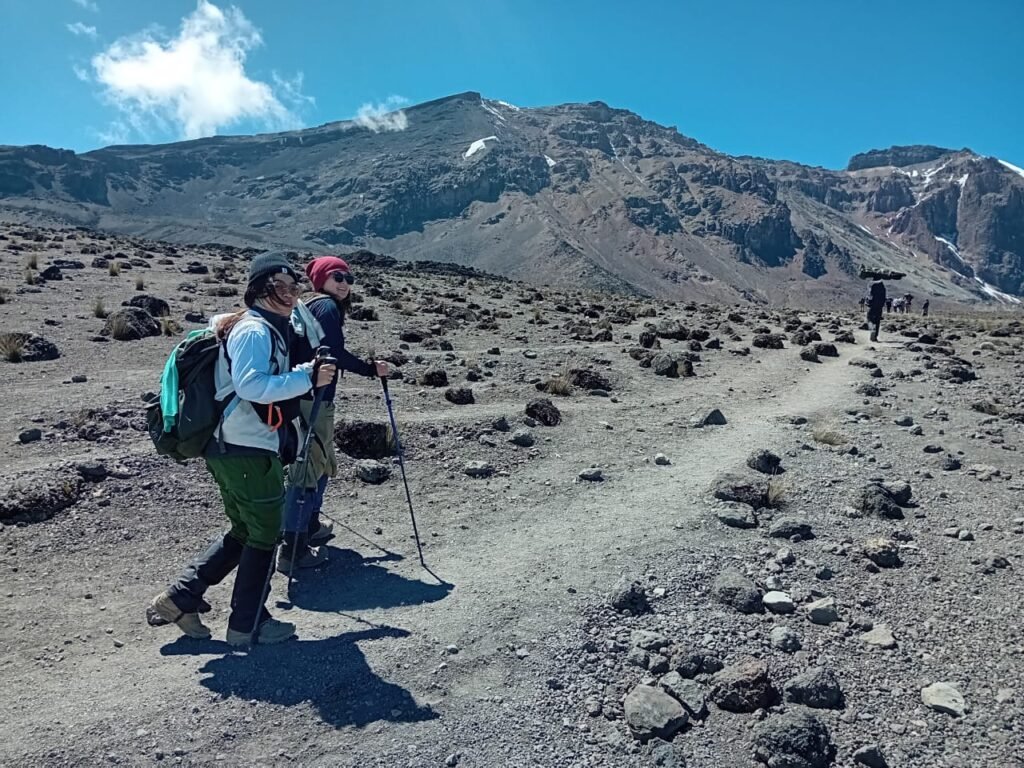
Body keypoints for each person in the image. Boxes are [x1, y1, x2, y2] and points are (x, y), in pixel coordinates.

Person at [149, 251, 336, 646]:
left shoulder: (264, 326)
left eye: (294, 286)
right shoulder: (254, 330)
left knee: (245, 529)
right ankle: (248, 624)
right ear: (259, 291)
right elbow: (252, 386)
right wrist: (307, 377)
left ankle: (181, 597)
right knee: (266, 533)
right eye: (279, 286)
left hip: (232, 448)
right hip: (246, 447)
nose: (289, 293)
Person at [278, 255, 389, 573]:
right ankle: (293, 550)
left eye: (349, 278)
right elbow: (333, 354)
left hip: (306, 398)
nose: (344, 283)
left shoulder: (313, 307)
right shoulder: (325, 307)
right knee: (309, 470)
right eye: (337, 276)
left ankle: (309, 526)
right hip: (313, 400)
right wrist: (371, 369)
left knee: (320, 463)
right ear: (322, 279)